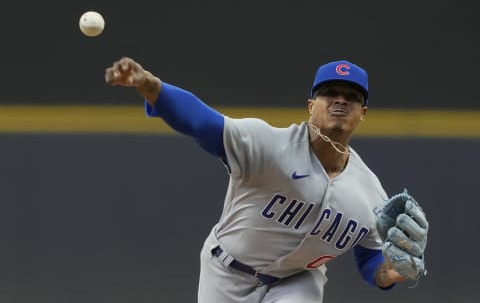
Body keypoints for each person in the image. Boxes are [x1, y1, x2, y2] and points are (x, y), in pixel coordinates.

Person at [105, 58, 424, 302]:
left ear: (363, 112)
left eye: (351, 97)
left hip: (298, 279)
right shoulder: (269, 145)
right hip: (225, 273)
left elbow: (370, 257)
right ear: (311, 106)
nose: (340, 101)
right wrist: (150, 86)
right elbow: (203, 123)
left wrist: (390, 273)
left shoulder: (370, 193)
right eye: (329, 93)